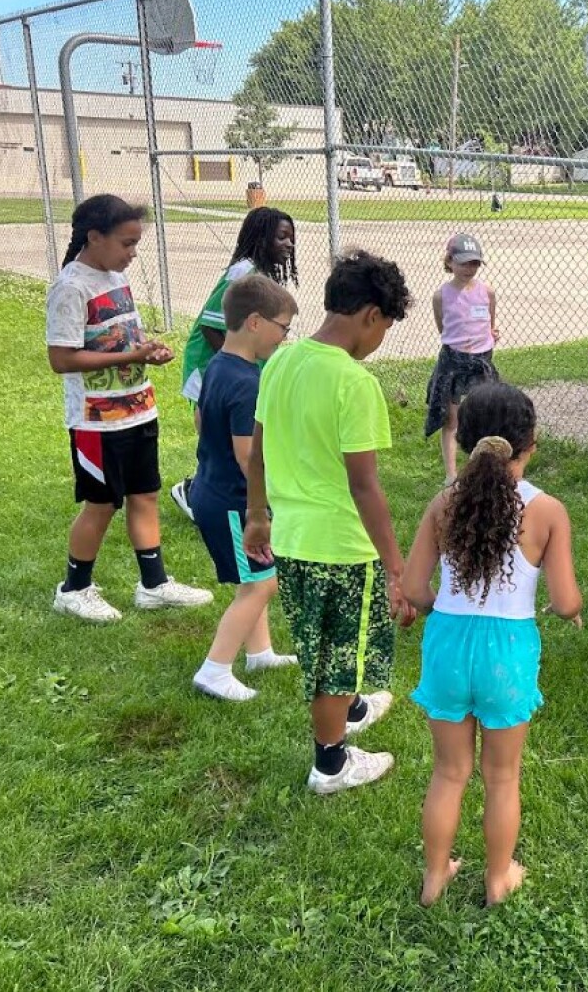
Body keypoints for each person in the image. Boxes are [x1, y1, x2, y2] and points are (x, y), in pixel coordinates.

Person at [243, 249, 417, 794]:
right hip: (341, 546)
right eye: (385, 327)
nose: (380, 338)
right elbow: (364, 486)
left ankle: (354, 709)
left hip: (292, 539)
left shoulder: (281, 362)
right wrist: (395, 566)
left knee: (322, 645)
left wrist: (256, 516)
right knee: (337, 656)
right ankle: (331, 763)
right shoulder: (353, 382)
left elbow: (258, 454)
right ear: (371, 315)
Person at [402, 383, 582, 907]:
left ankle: (435, 877)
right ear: (532, 444)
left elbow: (413, 588)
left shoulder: (443, 503)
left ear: (464, 442)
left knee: (448, 771)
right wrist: (568, 609)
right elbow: (566, 601)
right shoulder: (548, 511)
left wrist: (441, 613)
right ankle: (498, 879)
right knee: (502, 777)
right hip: (508, 649)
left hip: (448, 644)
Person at [45, 194, 213, 623]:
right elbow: (61, 359)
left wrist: (145, 351)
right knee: (101, 504)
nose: (133, 253)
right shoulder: (71, 287)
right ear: (94, 237)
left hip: (138, 410)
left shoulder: (114, 277)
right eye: (126, 243)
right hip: (97, 422)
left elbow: (119, 339)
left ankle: (154, 585)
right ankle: (74, 589)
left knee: (145, 495)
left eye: (136, 243)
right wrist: (129, 357)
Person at [190, 274, 301, 702]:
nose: (284, 336)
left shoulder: (219, 365)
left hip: (211, 489)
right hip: (233, 501)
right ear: (255, 322)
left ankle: (260, 653)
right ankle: (215, 670)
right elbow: (247, 456)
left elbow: (201, 420)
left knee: (257, 575)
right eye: (282, 327)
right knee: (261, 585)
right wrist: (271, 500)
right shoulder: (247, 382)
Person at [172, 207, 298, 520]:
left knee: (237, 437)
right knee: (219, 439)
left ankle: (236, 495)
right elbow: (211, 325)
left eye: (291, 238)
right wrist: (236, 367)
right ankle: (195, 493)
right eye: (282, 237)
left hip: (231, 372)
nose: (289, 244)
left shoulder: (262, 274)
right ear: (262, 238)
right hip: (208, 367)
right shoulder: (243, 273)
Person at [425, 233, 500, 485]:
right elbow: (443, 327)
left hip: (481, 361)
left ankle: (482, 467)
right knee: (452, 419)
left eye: (475, 263)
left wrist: (490, 335)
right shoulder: (441, 296)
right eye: (464, 263)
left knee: (484, 415)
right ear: (449, 261)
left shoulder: (487, 292)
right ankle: (451, 474)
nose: (469, 268)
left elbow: (490, 323)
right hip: (453, 362)